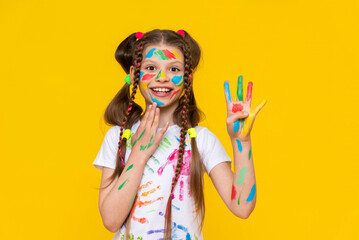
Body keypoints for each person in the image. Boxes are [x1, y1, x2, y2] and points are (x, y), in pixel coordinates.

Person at [92, 29, 266, 240]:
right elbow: (110, 221)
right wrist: (137, 155)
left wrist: (242, 142)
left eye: (174, 69)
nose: (162, 77)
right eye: (150, 68)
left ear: (188, 77)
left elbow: (242, 207)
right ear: (134, 74)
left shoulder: (200, 139)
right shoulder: (118, 137)